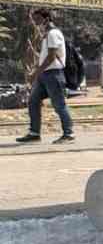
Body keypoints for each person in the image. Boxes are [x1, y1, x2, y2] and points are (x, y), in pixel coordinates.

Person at [16, 9, 74, 144]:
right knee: (33, 101)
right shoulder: (47, 34)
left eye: (37, 19)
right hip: (45, 74)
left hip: (53, 74)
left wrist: (36, 72)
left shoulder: (53, 34)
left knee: (59, 105)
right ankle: (34, 133)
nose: (35, 22)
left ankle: (69, 133)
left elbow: (51, 57)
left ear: (46, 19)